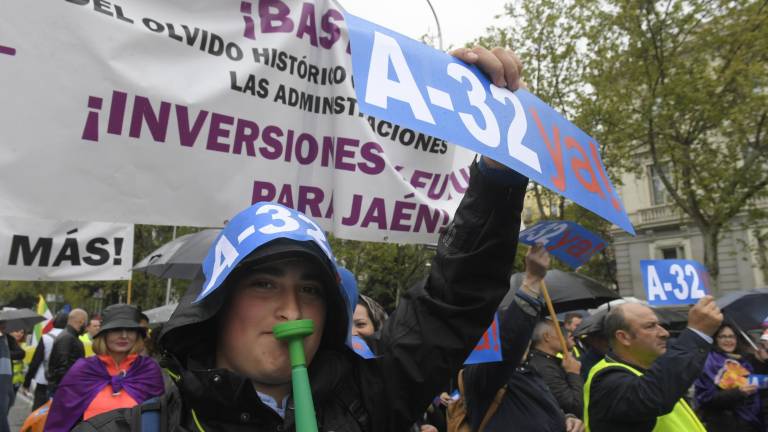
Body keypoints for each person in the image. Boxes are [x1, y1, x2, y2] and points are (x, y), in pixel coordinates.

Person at [71, 47, 530, 431]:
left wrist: (498, 176)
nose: (292, 311)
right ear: (218, 302)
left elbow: (451, 302)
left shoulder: (366, 399)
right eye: (264, 284)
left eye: (311, 290)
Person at [463, 246, 583, 432]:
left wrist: (566, 418)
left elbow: (541, 408)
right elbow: (509, 341)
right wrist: (532, 281)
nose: (525, 335)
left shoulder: (529, 370)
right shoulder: (482, 375)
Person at [583, 298, 723, 432]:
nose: (664, 333)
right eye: (650, 326)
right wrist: (696, 333)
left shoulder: (645, 371)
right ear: (623, 337)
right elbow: (654, 396)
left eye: (659, 325)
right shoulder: (608, 380)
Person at [45, 304, 164, 432]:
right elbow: (60, 418)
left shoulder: (148, 370)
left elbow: (159, 417)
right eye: (116, 329)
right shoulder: (83, 369)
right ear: (104, 334)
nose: (124, 335)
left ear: (137, 335)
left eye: (130, 330)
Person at [693, 323, 763, 432]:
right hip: (723, 425)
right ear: (715, 339)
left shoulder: (744, 362)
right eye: (723, 337)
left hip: (749, 423)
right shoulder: (709, 363)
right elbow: (705, 399)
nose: (728, 340)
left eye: (731, 336)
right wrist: (738, 392)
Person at [527, 320, 584, 418]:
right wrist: (573, 373)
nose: (564, 337)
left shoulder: (550, 360)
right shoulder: (543, 367)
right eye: (560, 333)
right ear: (546, 337)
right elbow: (573, 407)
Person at [23, 311, 68, 410]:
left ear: (54, 322)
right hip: (63, 381)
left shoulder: (45, 338)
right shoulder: (71, 338)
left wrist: (27, 382)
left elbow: (36, 362)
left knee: (39, 410)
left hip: (43, 379)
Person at [47, 308, 88, 397]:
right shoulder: (67, 338)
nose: (86, 327)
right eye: (86, 323)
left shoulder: (69, 337)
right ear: (81, 322)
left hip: (66, 388)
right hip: (65, 390)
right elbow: (61, 366)